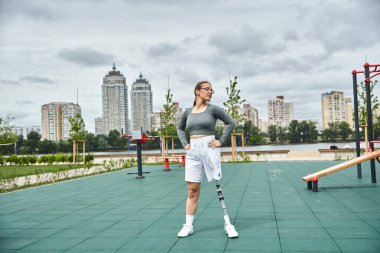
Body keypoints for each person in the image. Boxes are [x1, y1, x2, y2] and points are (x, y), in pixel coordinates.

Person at [176, 80, 238, 238]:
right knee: (192, 190)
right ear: (197, 91)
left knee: (218, 185)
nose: (210, 92)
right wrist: (184, 144)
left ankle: (228, 224)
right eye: (206, 89)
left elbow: (231, 122)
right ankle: (188, 225)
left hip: (209, 147)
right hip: (193, 150)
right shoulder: (188, 112)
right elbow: (180, 128)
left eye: (211, 90)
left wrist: (220, 141)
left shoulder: (214, 109)